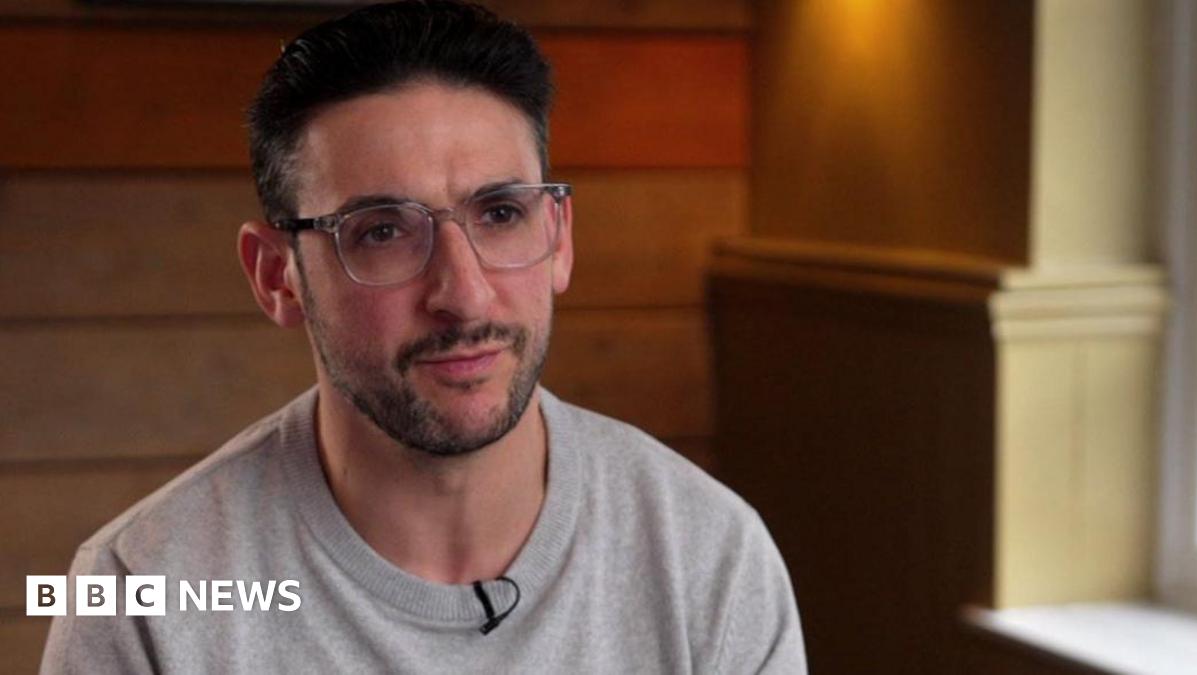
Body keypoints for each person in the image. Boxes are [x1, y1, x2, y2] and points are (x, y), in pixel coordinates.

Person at [40, 1, 807, 672]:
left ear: (560, 236)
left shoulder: (710, 555)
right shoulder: (142, 596)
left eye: (502, 213)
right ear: (278, 276)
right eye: (381, 231)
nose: (463, 293)